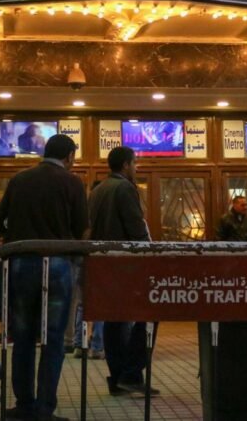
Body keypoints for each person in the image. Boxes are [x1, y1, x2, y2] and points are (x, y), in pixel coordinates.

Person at [0, 134, 88, 421]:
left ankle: (23, 404)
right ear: (69, 156)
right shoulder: (72, 183)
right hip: (58, 265)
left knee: (21, 337)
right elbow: (82, 229)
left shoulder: (19, 179)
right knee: (53, 339)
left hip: (21, 264)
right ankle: (44, 407)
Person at [89, 147, 156, 396]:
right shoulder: (126, 188)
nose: (136, 168)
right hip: (127, 266)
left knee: (113, 321)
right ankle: (131, 373)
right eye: (135, 163)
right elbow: (136, 229)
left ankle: (117, 377)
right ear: (127, 164)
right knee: (149, 314)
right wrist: (150, 255)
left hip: (104, 264)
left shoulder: (98, 190)